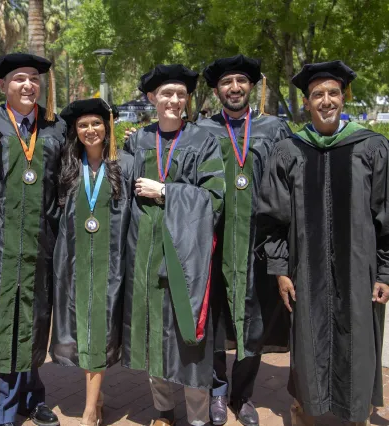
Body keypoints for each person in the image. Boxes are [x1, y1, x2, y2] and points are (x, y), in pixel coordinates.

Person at [257, 60, 389, 425]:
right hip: (306, 270)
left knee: (359, 341)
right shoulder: (289, 150)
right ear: (307, 101)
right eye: (318, 94)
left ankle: (356, 411)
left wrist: (386, 271)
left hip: (359, 270)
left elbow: (386, 213)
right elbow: (272, 217)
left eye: (333, 93)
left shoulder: (372, 146)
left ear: (344, 97)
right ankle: (305, 410)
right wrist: (281, 269)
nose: (326, 100)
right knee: (308, 342)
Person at [122, 64, 225, 426]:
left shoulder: (202, 140)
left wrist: (165, 191)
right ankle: (163, 411)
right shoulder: (137, 140)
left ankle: (198, 416)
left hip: (187, 257)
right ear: (152, 98)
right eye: (166, 94)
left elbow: (215, 197)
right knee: (154, 335)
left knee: (189, 336)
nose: (174, 100)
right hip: (145, 254)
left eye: (181, 94)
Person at [197, 54, 291, 426]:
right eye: (226, 83)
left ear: (251, 86)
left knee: (254, 320)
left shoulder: (274, 129)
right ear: (217, 89)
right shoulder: (202, 131)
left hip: (258, 243)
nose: (234, 88)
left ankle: (244, 394)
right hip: (213, 243)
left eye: (240, 81)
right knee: (216, 318)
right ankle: (218, 392)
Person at [0, 53, 66, 426]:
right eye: (19, 78)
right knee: (6, 323)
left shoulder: (55, 126)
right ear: (2, 86)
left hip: (41, 242)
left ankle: (32, 398)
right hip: (0, 243)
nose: (28, 85)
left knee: (35, 319)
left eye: (34, 78)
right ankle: (1, 408)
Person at [50, 98, 133, 426]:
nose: (90, 130)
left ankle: (89, 409)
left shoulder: (124, 165)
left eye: (96, 123)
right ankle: (94, 398)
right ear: (75, 131)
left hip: (110, 265)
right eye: (83, 125)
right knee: (82, 331)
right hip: (74, 264)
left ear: (108, 126)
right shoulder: (70, 168)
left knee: (98, 332)